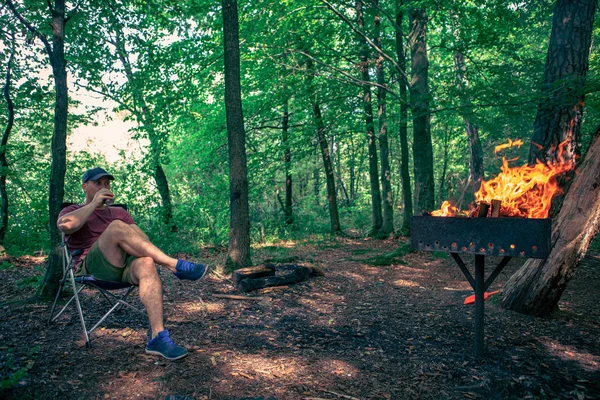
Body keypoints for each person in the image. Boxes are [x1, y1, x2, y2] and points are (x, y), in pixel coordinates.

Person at [57, 167, 207, 360]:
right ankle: (174, 265)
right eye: (98, 183)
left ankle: (158, 337)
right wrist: (94, 204)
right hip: (92, 267)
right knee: (116, 227)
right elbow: (67, 226)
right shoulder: (72, 210)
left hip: (123, 265)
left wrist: (126, 229)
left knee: (146, 262)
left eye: (107, 183)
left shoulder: (118, 212)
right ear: (85, 186)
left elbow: (144, 240)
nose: (104, 186)